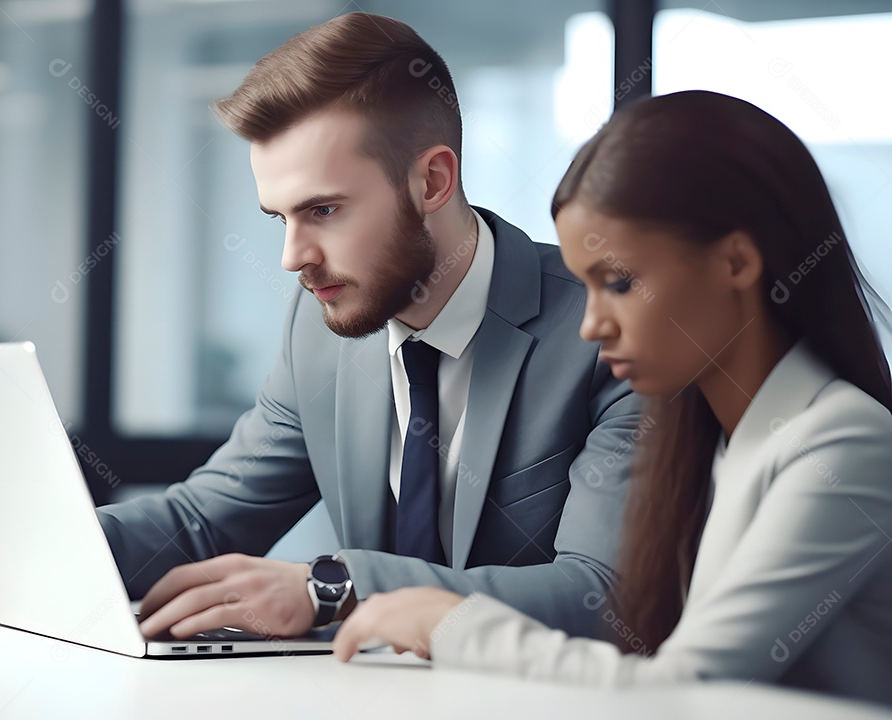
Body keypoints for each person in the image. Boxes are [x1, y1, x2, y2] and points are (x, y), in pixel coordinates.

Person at [0, 12, 641, 641]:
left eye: (323, 211)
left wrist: (335, 589)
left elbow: (601, 594)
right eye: (279, 218)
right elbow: (203, 520)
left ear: (433, 181)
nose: (292, 258)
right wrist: (5, 549)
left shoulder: (609, 328)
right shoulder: (322, 329)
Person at [332, 90, 892, 706]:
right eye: (587, 287)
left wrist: (451, 621)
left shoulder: (844, 443)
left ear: (736, 261)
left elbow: (688, 688)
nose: (591, 325)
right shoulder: (717, 443)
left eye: (620, 283)